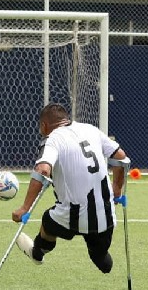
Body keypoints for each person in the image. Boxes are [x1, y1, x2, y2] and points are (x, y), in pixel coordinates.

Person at [12, 103, 127, 273]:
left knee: (47, 221)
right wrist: (116, 189)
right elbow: (121, 158)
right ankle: (101, 258)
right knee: (102, 261)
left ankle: (37, 253)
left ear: (44, 126)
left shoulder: (52, 140)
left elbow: (43, 170)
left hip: (70, 217)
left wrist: (24, 208)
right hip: (105, 218)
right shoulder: (90, 129)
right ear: (66, 119)